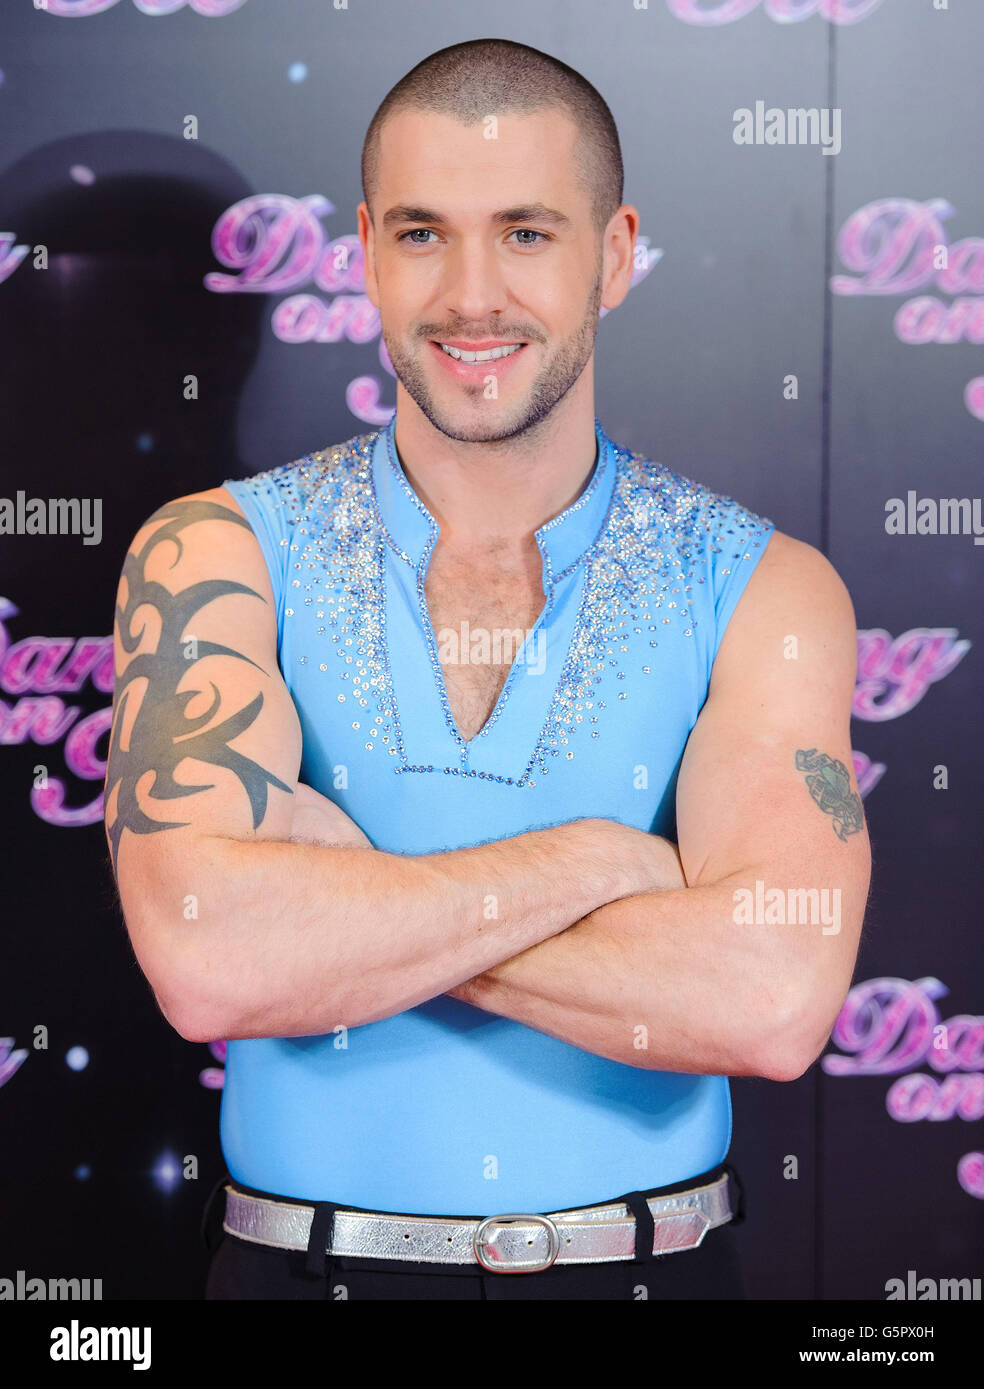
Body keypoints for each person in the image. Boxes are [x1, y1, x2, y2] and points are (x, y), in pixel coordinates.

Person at [104, 38, 871, 1301]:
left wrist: (346, 899)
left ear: (614, 253)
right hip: (302, 1277)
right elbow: (209, 960)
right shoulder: (214, 552)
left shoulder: (764, 587)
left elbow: (771, 997)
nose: (472, 296)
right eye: (422, 235)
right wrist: (606, 865)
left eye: (526, 233)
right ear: (361, 251)